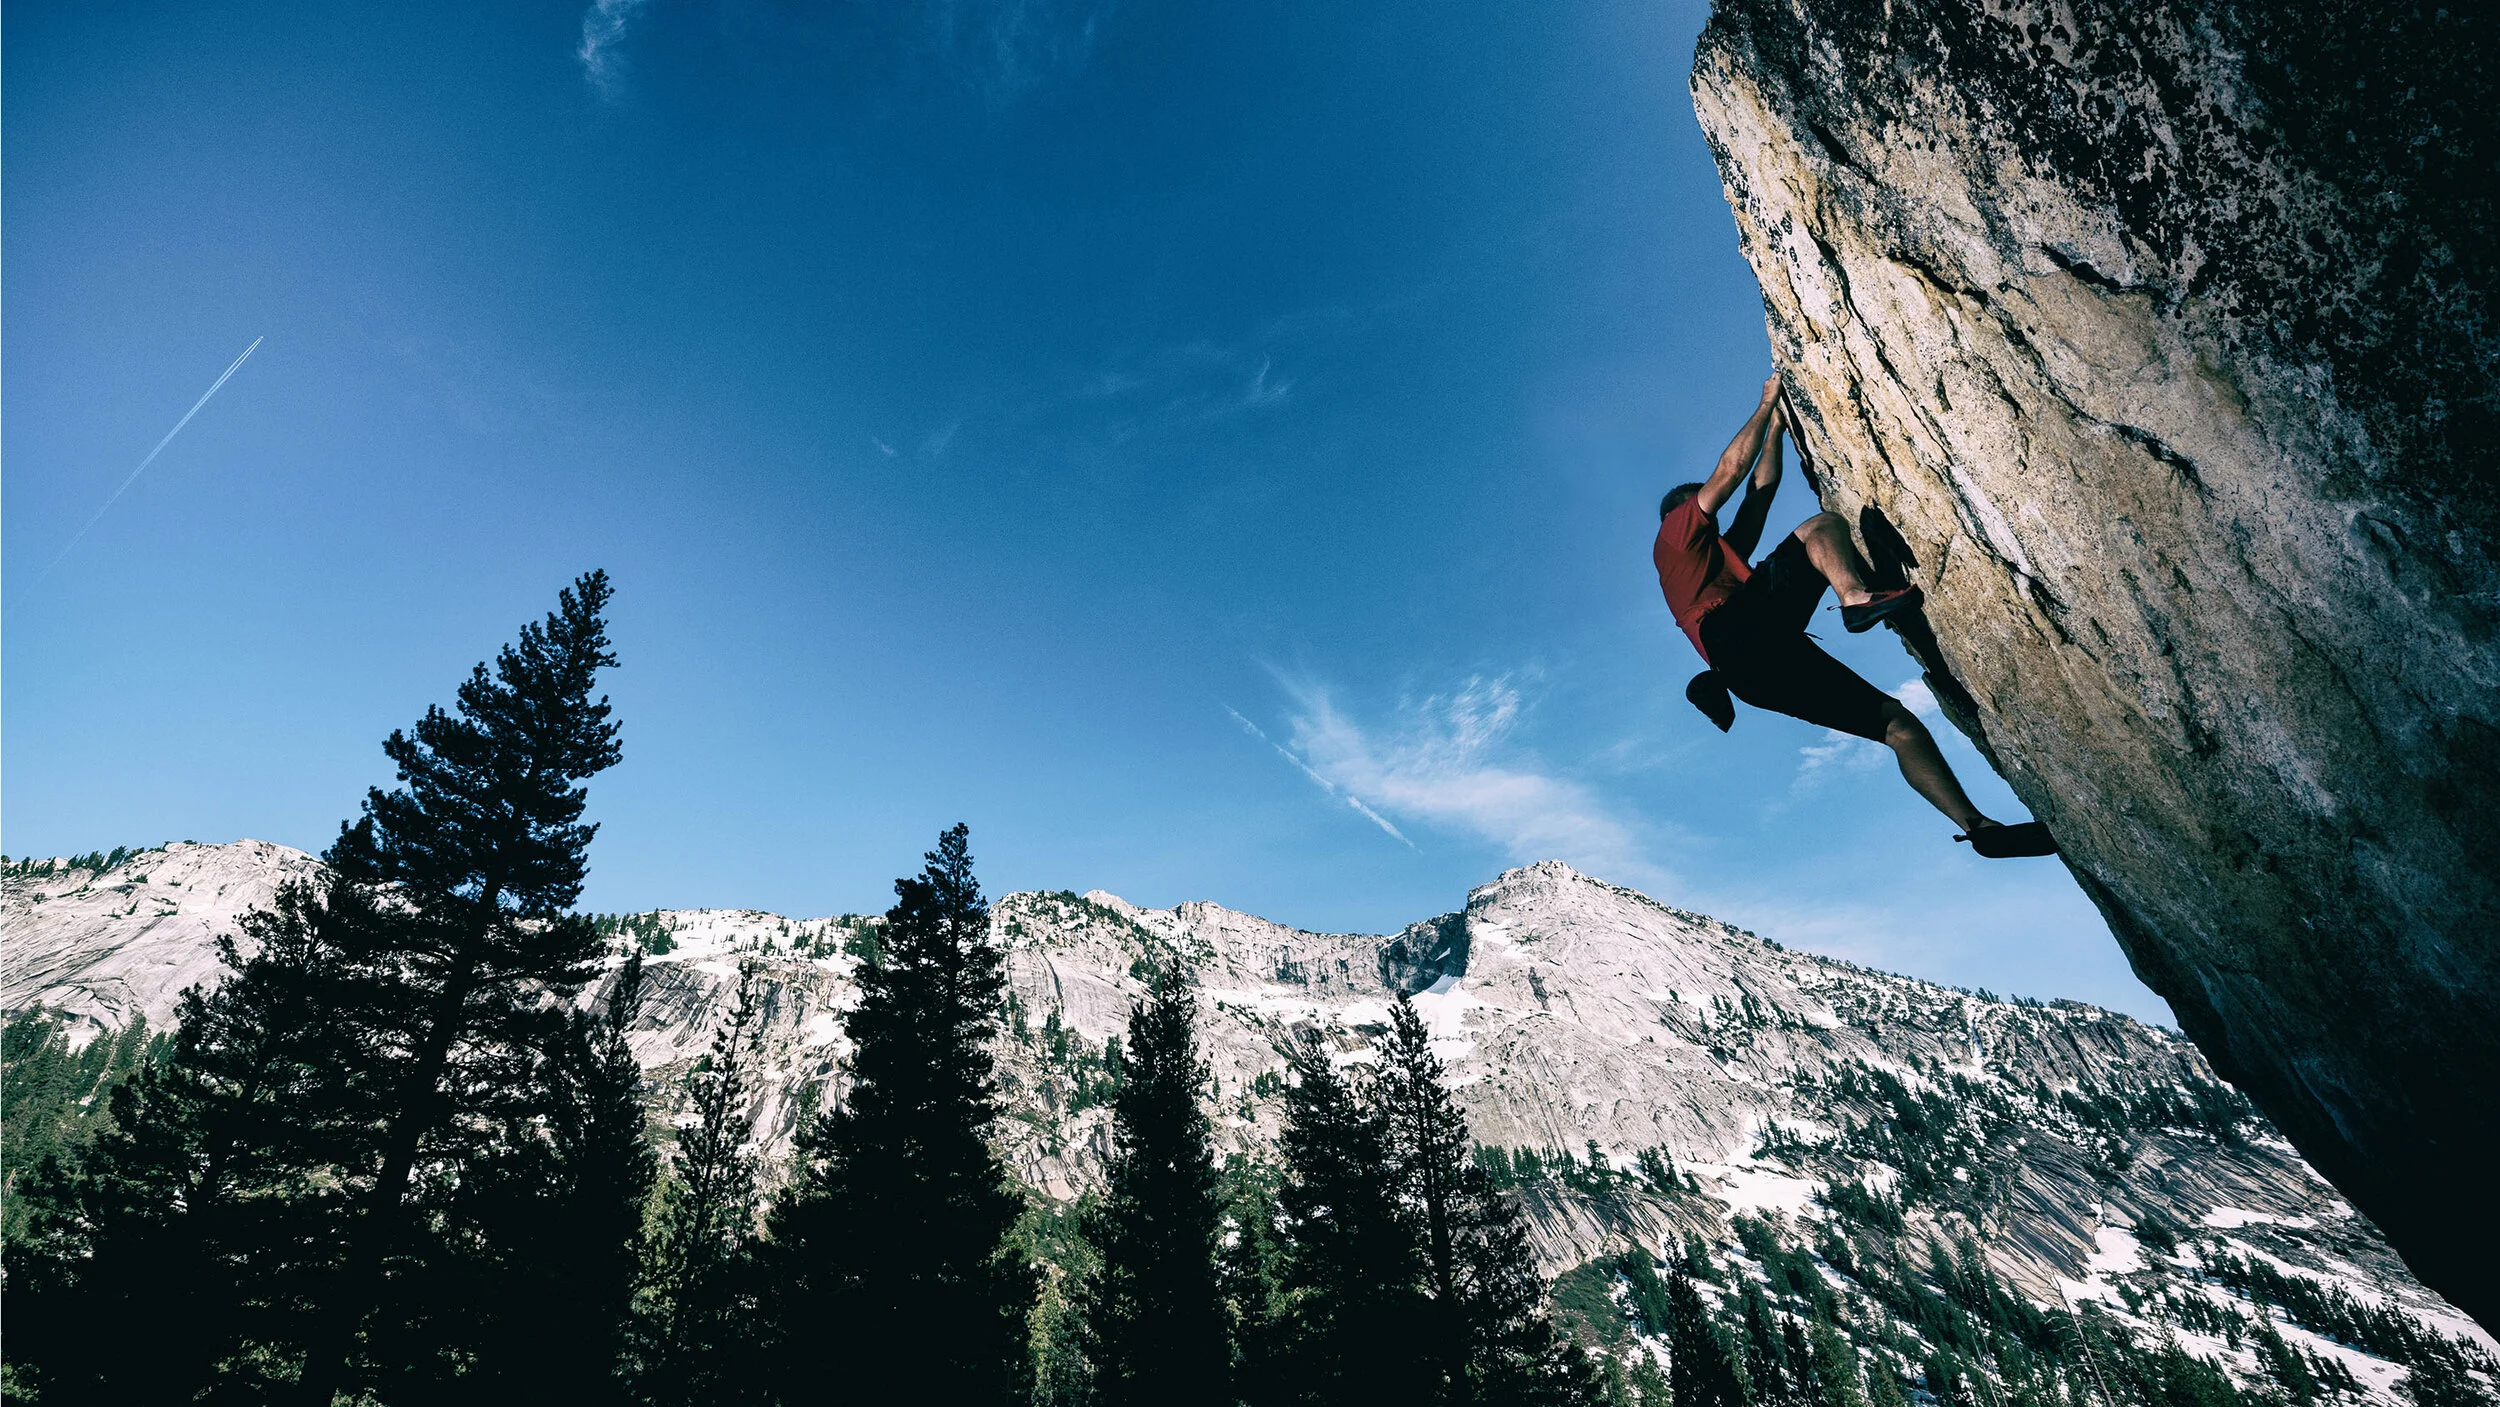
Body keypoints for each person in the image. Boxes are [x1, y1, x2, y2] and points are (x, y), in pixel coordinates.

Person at [1655, 378, 2055, 858]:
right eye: (1702, 508)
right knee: (1821, 525)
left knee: (1898, 725)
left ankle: (1980, 829)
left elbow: (1761, 491)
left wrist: (1779, 429)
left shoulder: (1716, 555)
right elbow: (1732, 472)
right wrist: (1764, 405)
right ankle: (1854, 599)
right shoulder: (1675, 537)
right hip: (1736, 635)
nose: (1711, 514)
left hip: (1756, 671)